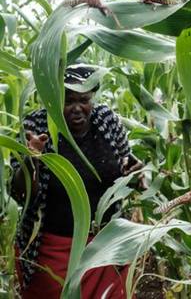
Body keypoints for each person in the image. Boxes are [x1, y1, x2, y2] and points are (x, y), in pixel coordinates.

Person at [10, 64, 142, 298]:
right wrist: (32, 159)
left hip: (105, 247)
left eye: (84, 100)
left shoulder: (107, 122)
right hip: (53, 251)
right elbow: (19, 191)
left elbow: (127, 169)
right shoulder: (36, 126)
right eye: (69, 100)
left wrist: (135, 175)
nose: (77, 108)